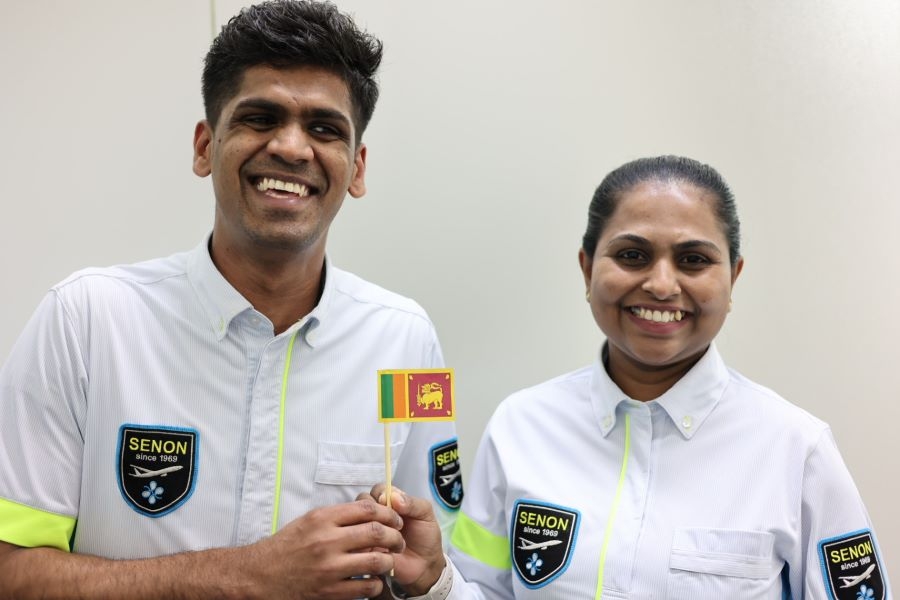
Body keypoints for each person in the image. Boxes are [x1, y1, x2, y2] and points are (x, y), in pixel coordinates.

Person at [0, 2, 462, 598]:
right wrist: (248, 575)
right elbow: (11, 572)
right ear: (204, 147)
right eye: (260, 117)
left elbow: (437, 563)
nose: (291, 148)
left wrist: (430, 582)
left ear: (357, 168)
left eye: (325, 129)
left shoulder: (406, 340)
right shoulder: (85, 320)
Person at [376, 155, 890, 599]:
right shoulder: (521, 425)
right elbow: (483, 589)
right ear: (587, 269)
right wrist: (434, 580)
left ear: (732, 277)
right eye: (632, 255)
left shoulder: (797, 450)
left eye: (693, 260)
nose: (662, 284)